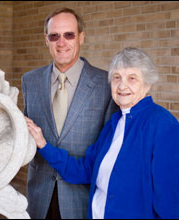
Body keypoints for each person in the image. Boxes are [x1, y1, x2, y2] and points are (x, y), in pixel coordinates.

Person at [26, 47, 179, 219]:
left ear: (148, 84)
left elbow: (168, 199)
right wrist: (43, 144)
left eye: (132, 78)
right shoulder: (113, 124)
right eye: (117, 78)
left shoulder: (162, 124)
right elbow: (85, 171)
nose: (122, 86)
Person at [21, 8, 118, 219]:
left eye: (69, 35)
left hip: (80, 199)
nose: (61, 42)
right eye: (54, 36)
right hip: (39, 197)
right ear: (46, 40)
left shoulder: (106, 84)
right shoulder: (30, 81)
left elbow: (107, 153)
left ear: (81, 37)